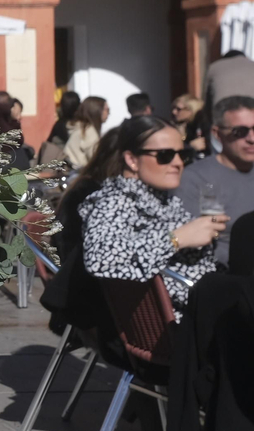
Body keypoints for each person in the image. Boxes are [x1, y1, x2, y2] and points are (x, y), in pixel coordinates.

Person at [78, 115, 222, 306]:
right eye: (165, 155)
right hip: (179, 323)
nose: (178, 162)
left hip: (200, 306)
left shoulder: (162, 198)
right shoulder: (116, 201)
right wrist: (176, 239)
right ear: (132, 160)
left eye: (183, 154)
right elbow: (100, 260)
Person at [173, 95, 254, 267]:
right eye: (240, 131)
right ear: (217, 134)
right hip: (228, 277)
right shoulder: (196, 178)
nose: (251, 139)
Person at [63, 95, 109, 170]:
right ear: (97, 110)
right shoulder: (89, 131)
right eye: (107, 110)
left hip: (70, 171)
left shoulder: (81, 128)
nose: (109, 113)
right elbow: (95, 160)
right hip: (77, 173)